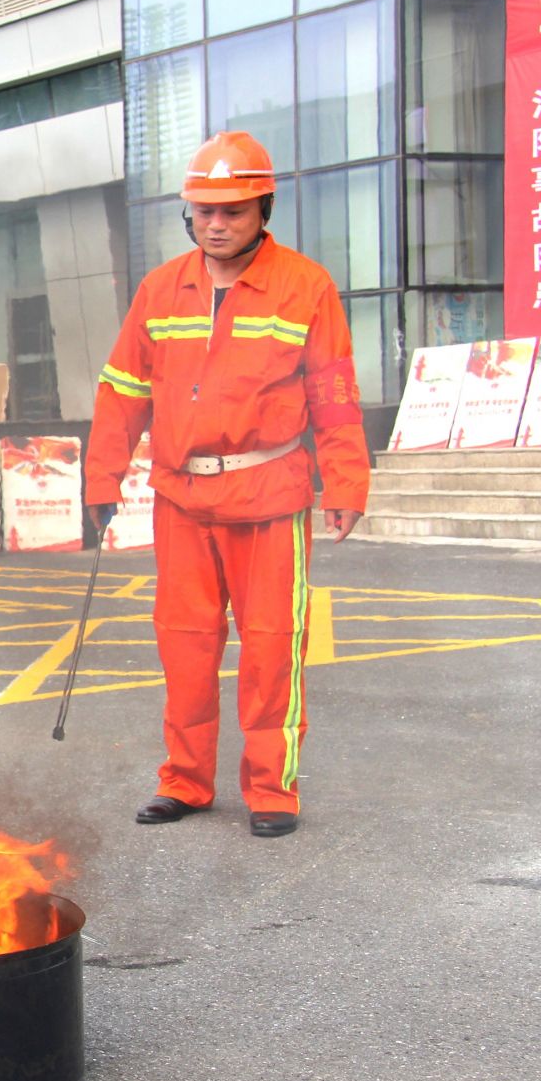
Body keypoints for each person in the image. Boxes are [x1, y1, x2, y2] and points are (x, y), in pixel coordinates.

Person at [83, 130, 370, 840]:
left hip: (269, 497)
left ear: (263, 209)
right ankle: (185, 780)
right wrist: (102, 478)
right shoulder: (161, 288)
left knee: (273, 648)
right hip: (182, 498)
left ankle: (272, 789)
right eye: (204, 210)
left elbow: (333, 395)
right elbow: (122, 390)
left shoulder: (306, 286)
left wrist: (345, 481)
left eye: (233, 211)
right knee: (185, 646)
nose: (216, 223)